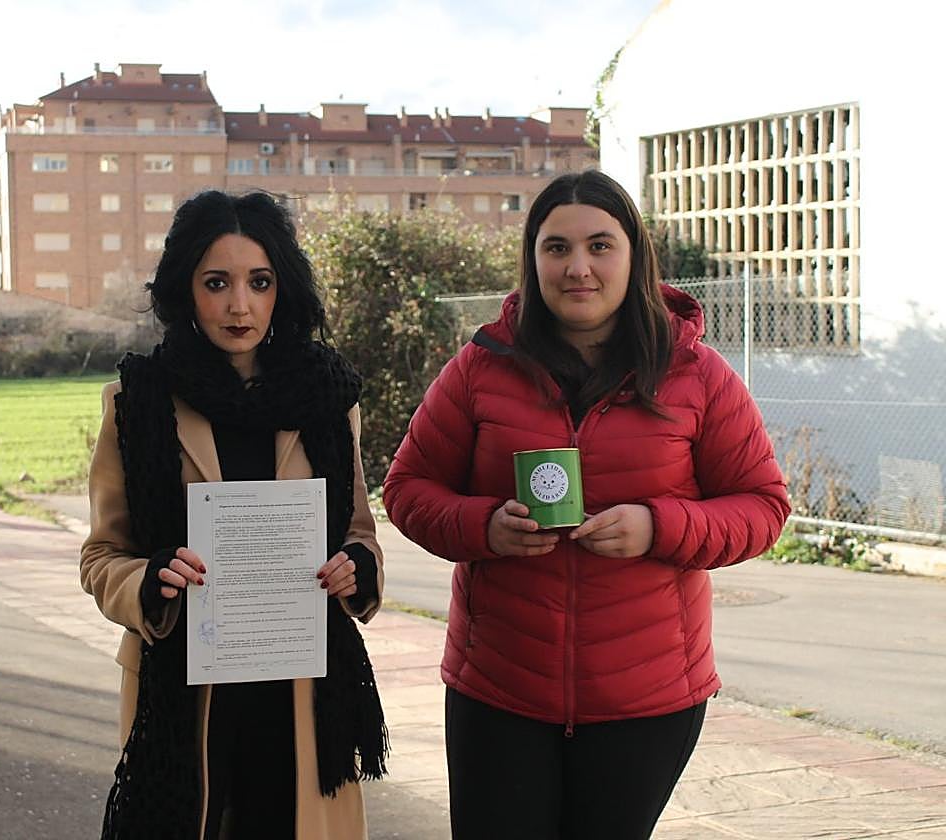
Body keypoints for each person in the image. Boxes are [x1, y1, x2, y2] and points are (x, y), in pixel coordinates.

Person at [383, 170, 790, 839]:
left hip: (647, 697)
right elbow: (407, 489)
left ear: (634, 256)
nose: (579, 268)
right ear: (532, 259)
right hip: (499, 691)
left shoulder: (698, 375)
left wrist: (659, 525)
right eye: (557, 248)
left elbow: (762, 506)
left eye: (600, 246)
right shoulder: (481, 368)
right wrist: (484, 526)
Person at [80, 190, 387, 840]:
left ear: (283, 289)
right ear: (186, 289)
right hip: (185, 695)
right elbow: (102, 557)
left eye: (259, 282)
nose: (239, 305)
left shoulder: (330, 401)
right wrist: (150, 580)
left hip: (300, 690)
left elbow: (360, 535)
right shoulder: (136, 405)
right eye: (216, 282)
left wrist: (356, 569)